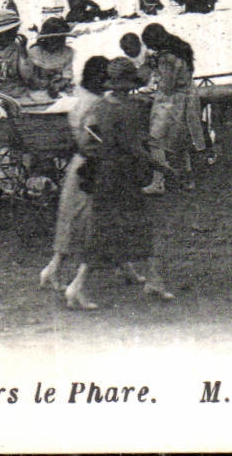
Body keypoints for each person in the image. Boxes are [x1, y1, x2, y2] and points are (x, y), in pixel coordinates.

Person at [56, 57, 173, 310]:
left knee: (112, 228)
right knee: (125, 228)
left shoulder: (100, 106)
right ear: (129, 83)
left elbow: (90, 141)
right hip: (123, 174)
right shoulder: (129, 108)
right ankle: (76, 286)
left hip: (104, 173)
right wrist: (161, 167)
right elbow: (134, 147)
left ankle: (154, 279)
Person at [39, 56, 110, 292]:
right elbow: (93, 138)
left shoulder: (80, 97)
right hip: (91, 164)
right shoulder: (97, 104)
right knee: (90, 219)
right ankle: (59, 272)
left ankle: (53, 269)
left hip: (78, 164)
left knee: (71, 218)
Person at [141, 23, 202, 195]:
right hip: (188, 97)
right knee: (182, 141)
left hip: (172, 102)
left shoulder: (166, 58)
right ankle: (187, 179)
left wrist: (154, 78)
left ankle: (158, 181)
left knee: (156, 140)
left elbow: (167, 86)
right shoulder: (181, 50)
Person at [26, 18, 76, 97]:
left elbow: (67, 74)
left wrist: (58, 85)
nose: (57, 42)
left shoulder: (67, 52)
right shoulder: (35, 52)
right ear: (45, 38)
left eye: (61, 38)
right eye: (53, 39)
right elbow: (28, 75)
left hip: (59, 89)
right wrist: (39, 83)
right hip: (37, 90)